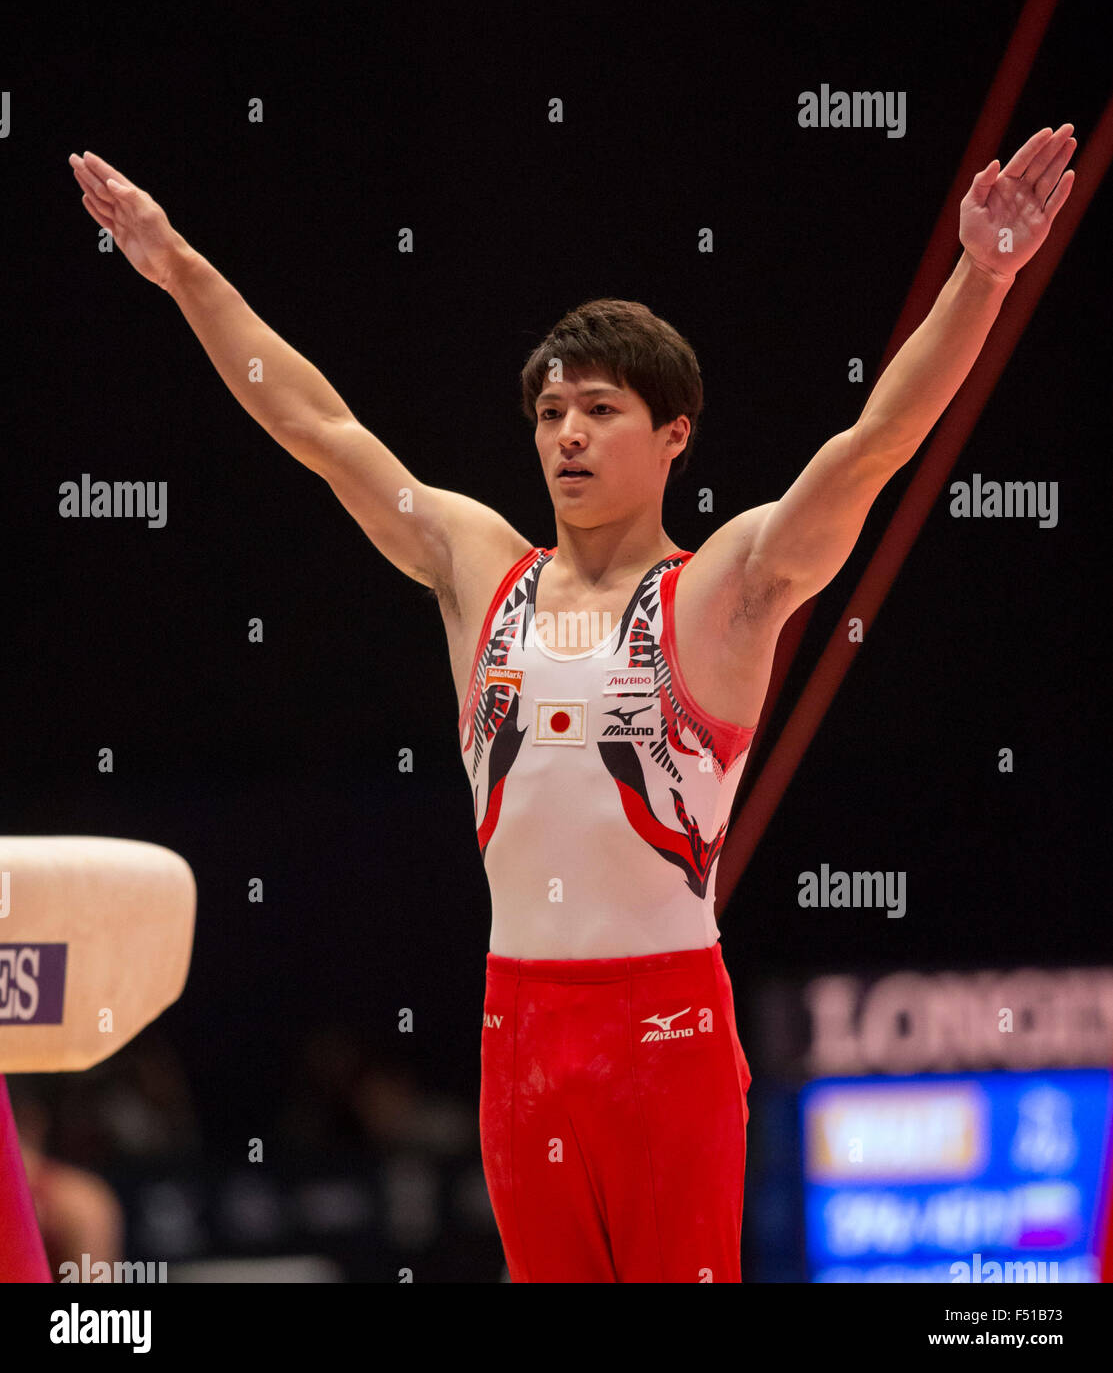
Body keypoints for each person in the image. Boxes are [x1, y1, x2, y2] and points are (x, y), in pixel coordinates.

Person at [68, 126, 1075, 1282]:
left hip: (668, 1036)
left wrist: (982, 275)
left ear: (674, 433)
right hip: (522, 1030)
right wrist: (179, 265)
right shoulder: (474, 569)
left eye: (598, 411)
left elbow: (876, 443)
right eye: (550, 416)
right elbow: (319, 429)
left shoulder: (723, 592)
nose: (568, 436)